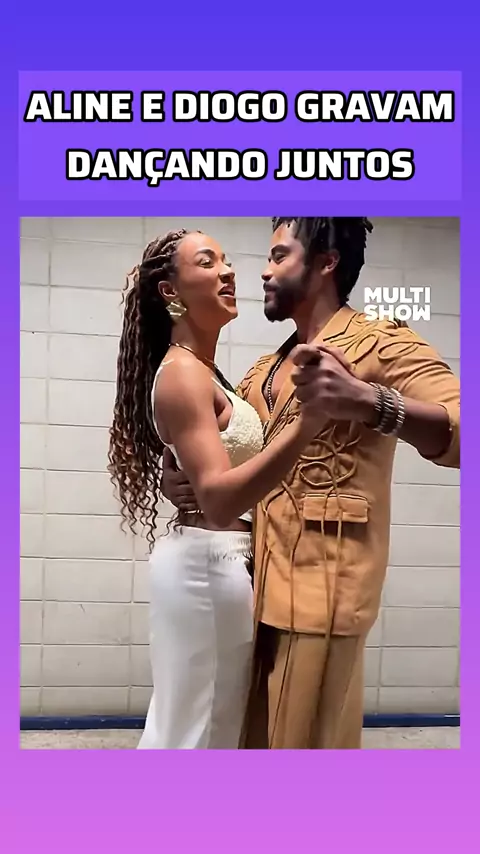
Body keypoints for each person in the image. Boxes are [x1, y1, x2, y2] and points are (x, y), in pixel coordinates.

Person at [162, 216, 460, 750]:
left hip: (324, 596)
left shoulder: (379, 342)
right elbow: (232, 462)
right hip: (254, 588)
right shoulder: (260, 372)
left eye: (279, 256)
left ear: (326, 263)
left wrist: (372, 402)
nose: (263, 271)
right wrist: (182, 482)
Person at [107, 228, 325, 750]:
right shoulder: (183, 374)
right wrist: (307, 426)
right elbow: (220, 498)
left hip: (214, 558)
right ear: (170, 291)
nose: (228, 271)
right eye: (208, 262)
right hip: (208, 563)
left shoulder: (203, 371)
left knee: (199, 723)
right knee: (198, 731)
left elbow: (211, 471)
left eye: (226, 261)